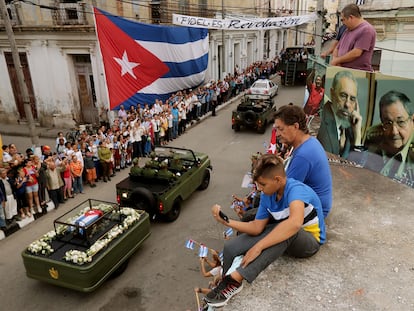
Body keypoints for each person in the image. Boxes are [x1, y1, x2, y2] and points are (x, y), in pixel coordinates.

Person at [204, 154, 325, 307]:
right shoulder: (268, 194)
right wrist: (227, 222)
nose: (259, 188)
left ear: (278, 180)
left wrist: (258, 246)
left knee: (287, 229)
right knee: (231, 247)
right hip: (283, 232)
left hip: (308, 240)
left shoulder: (295, 191)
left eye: (262, 184)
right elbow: (256, 227)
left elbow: (294, 224)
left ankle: (235, 280)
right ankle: (225, 283)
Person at [274, 105, 333, 218]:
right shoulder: (309, 142)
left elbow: (284, 193)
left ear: (295, 126)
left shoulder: (303, 155)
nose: (277, 134)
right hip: (316, 204)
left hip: (314, 212)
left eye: (281, 129)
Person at [349, 90, 414, 187]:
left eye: (401, 122)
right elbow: (356, 173)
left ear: (412, 119)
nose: (394, 132)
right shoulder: (374, 135)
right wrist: (357, 136)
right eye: (388, 123)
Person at [317, 70, 363, 159]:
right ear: (332, 94)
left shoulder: (351, 127)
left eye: (352, 99)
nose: (347, 104)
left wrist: (358, 135)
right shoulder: (320, 120)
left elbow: (356, 164)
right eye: (343, 96)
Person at [331, 4, 376, 71]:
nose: (343, 23)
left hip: (357, 73)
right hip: (343, 70)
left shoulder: (366, 30)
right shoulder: (347, 30)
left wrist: (338, 60)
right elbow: (337, 47)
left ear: (351, 17)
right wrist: (335, 60)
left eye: (343, 20)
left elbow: (356, 53)